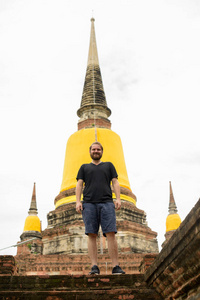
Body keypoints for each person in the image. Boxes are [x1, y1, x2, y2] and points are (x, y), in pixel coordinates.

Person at [76, 141, 125, 275]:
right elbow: (79, 185)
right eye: (93, 149)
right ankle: (94, 266)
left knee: (110, 233)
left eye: (98, 149)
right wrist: (78, 201)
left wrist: (118, 198)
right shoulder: (84, 167)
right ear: (90, 152)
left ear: (102, 151)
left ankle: (115, 266)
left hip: (107, 202)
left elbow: (115, 182)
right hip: (89, 203)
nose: (96, 151)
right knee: (91, 234)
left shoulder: (108, 166)